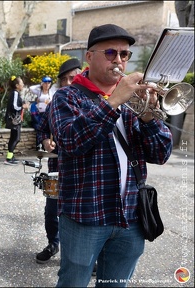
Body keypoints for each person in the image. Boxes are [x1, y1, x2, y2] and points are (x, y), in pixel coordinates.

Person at [50, 24, 173, 287]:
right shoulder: (66, 97)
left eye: (124, 54)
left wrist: (150, 118)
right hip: (85, 215)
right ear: (89, 56)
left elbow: (161, 154)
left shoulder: (134, 100)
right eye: (110, 52)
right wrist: (113, 101)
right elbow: (72, 142)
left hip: (131, 214)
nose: (118, 60)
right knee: (74, 282)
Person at [34, 58, 81, 264]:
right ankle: (53, 244)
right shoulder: (54, 104)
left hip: (83, 171)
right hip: (57, 167)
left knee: (81, 216)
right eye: (65, 80)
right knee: (51, 212)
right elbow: (43, 129)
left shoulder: (92, 101)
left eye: (73, 78)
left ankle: (86, 253)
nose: (69, 83)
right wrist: (45, 140)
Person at [4, 76, 29, 165]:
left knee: (13, 138)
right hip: (14, 120)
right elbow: (14, 106)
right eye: (21, 83)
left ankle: (10, 156)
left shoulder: (15, 93)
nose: (23, 84)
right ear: (17, 85)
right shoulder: (15, 93)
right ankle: (8, 158)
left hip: (15, 119)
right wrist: (23, 106)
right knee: (16, 138)